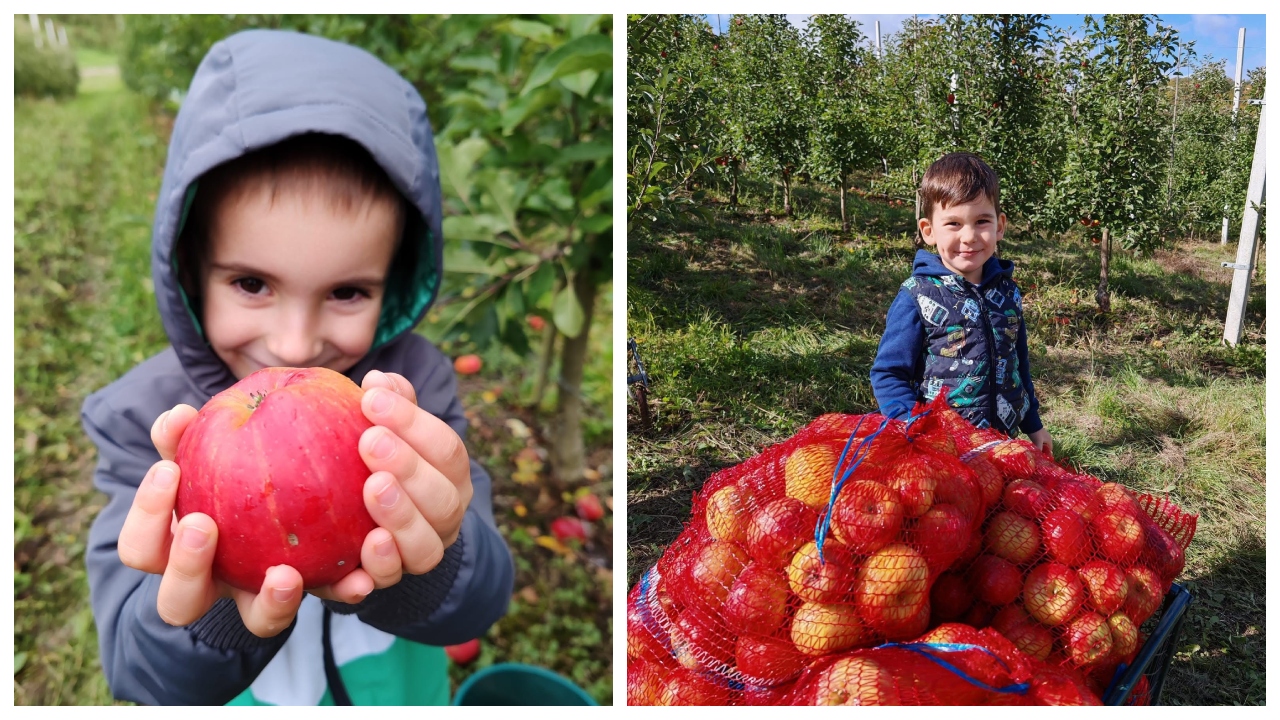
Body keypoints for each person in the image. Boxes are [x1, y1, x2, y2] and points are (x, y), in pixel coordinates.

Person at [81, 30, 514, 706]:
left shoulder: (407, 397)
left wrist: (436, 550)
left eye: (347, 292)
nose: (293, 344)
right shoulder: (144, 424)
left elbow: (479, 603)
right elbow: (138, 673)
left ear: (394, 284)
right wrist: (212, 605)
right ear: (191, 270)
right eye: (252, 283)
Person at [869, 152, 1053, 456]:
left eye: (982, 221)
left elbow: (1018, 364)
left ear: (999, 226)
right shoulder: (918, 295)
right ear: (928, 231)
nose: (969, 236)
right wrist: (913, 424)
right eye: (953, 223)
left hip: (1000, 444)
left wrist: (1033, 423)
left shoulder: (1007, 293)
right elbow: (888, 373)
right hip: (943, 447)